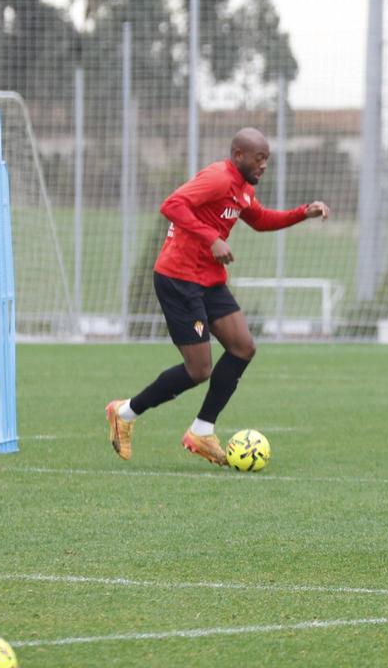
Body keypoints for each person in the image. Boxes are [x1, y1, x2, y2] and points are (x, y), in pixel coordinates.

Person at [105, 128, 330, 465]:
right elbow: (172, 204)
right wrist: (212, 238)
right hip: (179, 278)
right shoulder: (218, 178)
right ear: (238, 155)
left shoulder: (243, 189)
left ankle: (201, 430)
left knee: (243, 347)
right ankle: (124, 413)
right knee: (199, 370)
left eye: (267, 159)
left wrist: (302, 213)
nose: (264, 165)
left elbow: (260, 220)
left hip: (209, 279)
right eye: (259, 158)